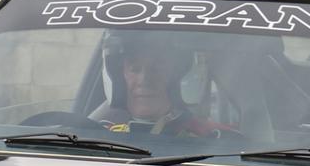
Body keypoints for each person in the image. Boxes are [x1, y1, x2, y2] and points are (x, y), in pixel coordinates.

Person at [90, 33, 231, 138]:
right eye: (135, 69)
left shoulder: (213, 138)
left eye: (156, 69)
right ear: (121, 77)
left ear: (179, 77)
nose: (144, 79)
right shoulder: (95, 135)